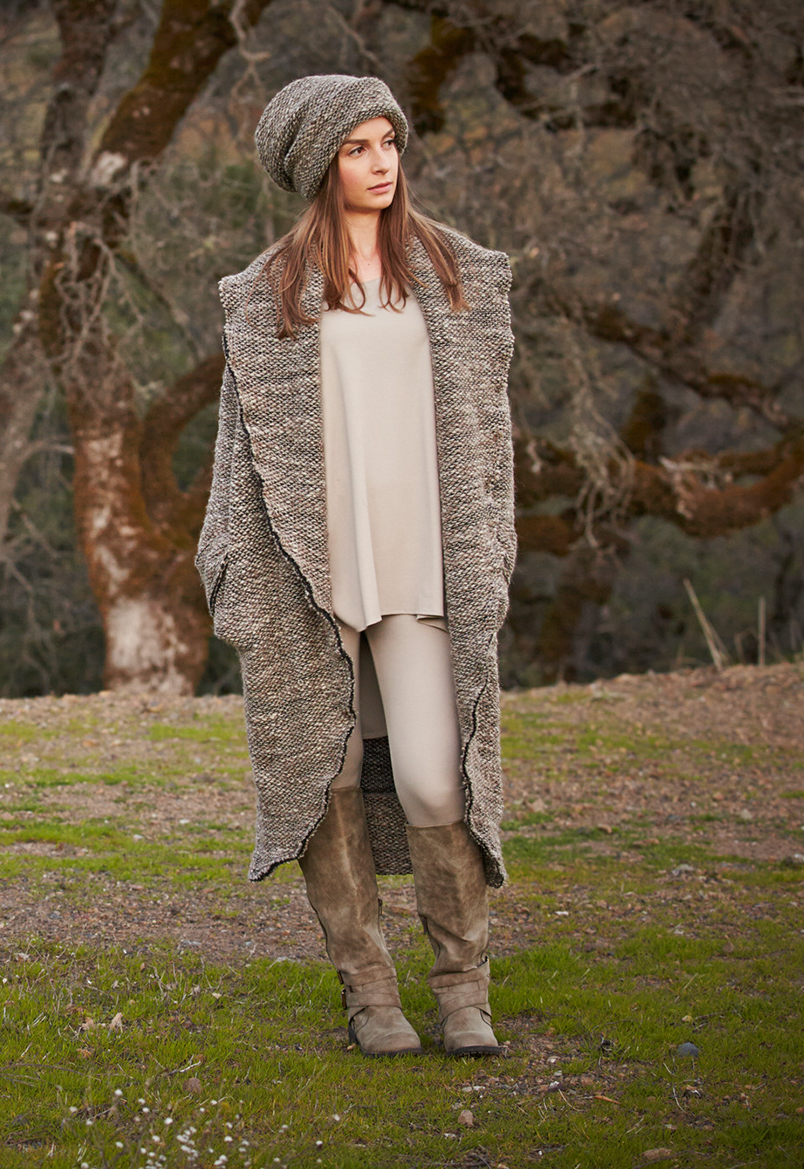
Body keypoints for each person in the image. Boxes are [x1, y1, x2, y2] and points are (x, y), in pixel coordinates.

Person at [198, 75, 516, 1058]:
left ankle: (463, 991)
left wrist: (493, 550)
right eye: (357, 147)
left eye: (389, 142)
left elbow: (491, 439)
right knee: (324, 775)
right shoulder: (264, 296)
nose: (382, 163)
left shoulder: (459, 274)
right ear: (316, 164)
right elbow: (239, 458)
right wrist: (231, 572)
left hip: (426, 568)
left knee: (433, 778)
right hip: (310, 577)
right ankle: (370, 991)